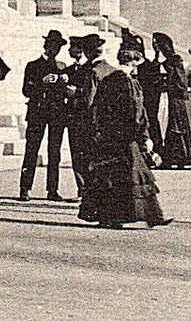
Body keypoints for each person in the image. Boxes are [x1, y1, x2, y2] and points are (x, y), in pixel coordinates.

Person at [78, 35, 169, 229]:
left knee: (112, 177)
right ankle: (151, 216)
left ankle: (115, 217)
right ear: (134, 62)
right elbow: (137, 112)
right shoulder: (128, 82)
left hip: (110, 135)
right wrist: (144, 137)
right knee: (132, 175)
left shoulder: (110, 79)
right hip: (126, 136)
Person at [19, 30, 74, 201]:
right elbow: (26, 90)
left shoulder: (63, 67)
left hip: (57, 113)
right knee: (32, 150)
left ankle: (52, 190)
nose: (54, 50)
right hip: (38, 111)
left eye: (57, 47)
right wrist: (41, 83)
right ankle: (25, 188)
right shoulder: (33, 65)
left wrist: (65, 83)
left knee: (54, 152)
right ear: (46, 46)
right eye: (52, 46)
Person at [65, 34, 109, 205]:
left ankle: (86, 193)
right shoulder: (110, 68)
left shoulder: (92, 71)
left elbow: (87, 100)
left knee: (82, 158)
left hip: (85, 120)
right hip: (103, 122)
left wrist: (74, 93)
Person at [153, 32, 191, 168]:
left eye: (157, 43)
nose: (154, 46)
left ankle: (178, 157)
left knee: (174, 126)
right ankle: (164, 157)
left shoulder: (175, 61)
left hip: (173, 99)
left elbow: (180, 82)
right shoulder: (156, 62)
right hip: (161, 98)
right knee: (161, 124)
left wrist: (166, 85)